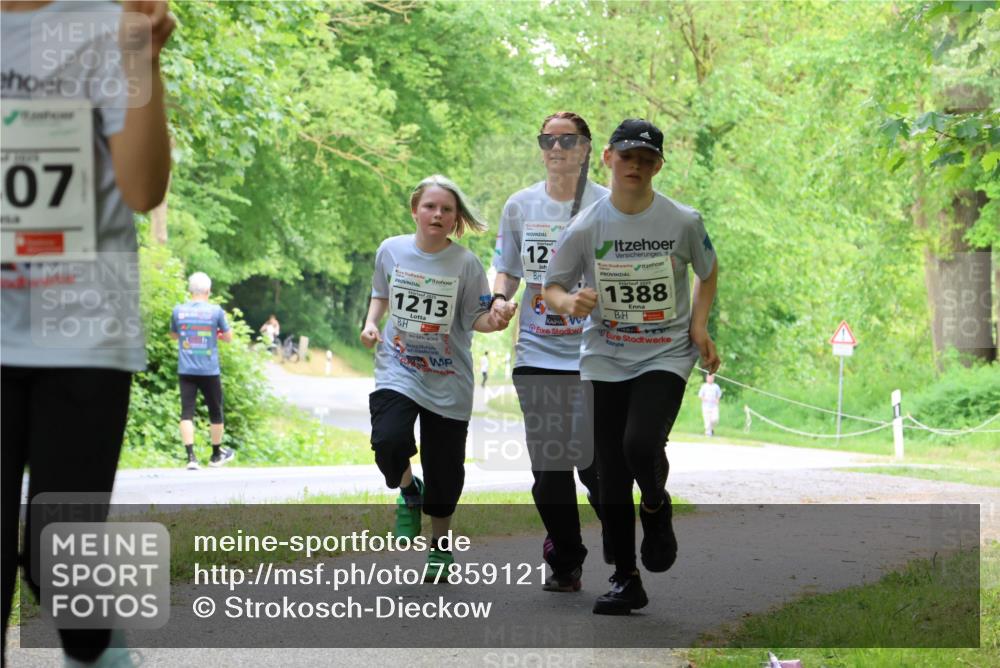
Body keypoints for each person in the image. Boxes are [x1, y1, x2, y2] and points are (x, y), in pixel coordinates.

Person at [1, 0, 174, 663]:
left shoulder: (108, 25)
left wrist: (142, 56)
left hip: (81, 334)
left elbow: (140, 188)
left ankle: (103, 653)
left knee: (61, 563)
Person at [544, 118, 720, 615]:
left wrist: (700, 326)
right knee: (607, 474)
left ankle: (657, 506)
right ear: (609, 160)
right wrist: (569, 302)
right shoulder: (587, 225)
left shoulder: (683, 221)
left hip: (664, 353)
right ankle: (626, 578)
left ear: (658, 165)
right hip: (604, 355)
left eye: (646, 159)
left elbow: (708, 272)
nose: (636, 166)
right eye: (627, 157)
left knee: (640, 443)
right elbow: (551, 287)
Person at [360, 175, 516, 581]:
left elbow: (476, 318)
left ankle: (441, 548)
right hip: (399, 367)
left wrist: (496, 320)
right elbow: (380, 293)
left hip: (448, 379)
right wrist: (372, 323)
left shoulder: (465, 263)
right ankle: (410, 492)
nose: (438, 214)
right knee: (389, 440)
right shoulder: (390, 250)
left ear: (455, 219)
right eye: (430, 206)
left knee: (445, 468)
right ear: (415, 210)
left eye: (447, 209)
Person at [491, 111, 610, 592]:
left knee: (597, 469)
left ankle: (622, 551)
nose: (556, 148)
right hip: (537, 351)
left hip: (597, 353)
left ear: (585, 148)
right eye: (548, 140)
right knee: (549, 469)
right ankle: (566, 558)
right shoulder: (520, 206)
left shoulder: (608, 204)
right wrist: (499, 299)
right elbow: (506, 269)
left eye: (568, 140)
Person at [171, 272, 235, 470]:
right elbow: (228, 337)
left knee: (186, 412)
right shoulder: (216, 311)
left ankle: (191, 458)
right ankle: (216, 455)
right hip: (209, 370)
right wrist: (215, 333)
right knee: (215, 412)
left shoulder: (178, 311)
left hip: (186, 369)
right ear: (208, 291)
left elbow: (174, 335)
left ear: (190, 290)